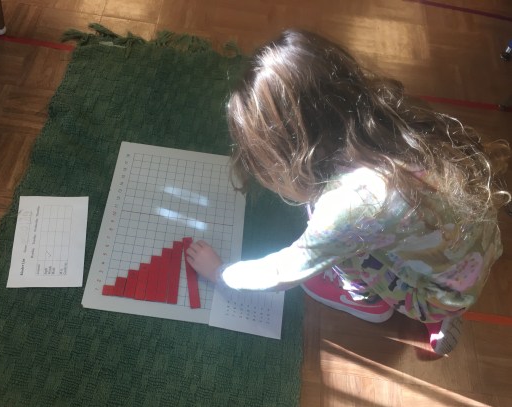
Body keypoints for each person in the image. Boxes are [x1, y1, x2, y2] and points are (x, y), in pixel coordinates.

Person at [185, 29, 510, 355]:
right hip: (475, 254)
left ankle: (369, 302)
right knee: (358, 228)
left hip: (437, 293)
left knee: (336, 233)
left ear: (291, 153)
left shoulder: (350, 205)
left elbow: (284, 271)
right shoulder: (385, 116)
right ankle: (444, 304)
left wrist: (220, 273)